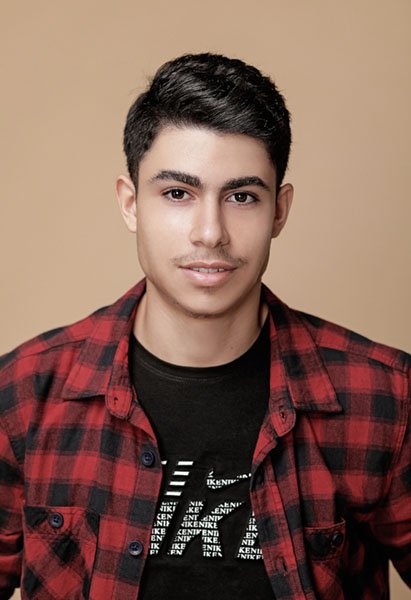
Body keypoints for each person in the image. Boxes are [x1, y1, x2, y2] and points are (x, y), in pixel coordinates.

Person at [0, 53, 409, 600]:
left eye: (242, 197)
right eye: (178, 194)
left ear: (279, 210)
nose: (210, 232)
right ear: (130, 204)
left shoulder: (385, 397)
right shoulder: (24, 395)